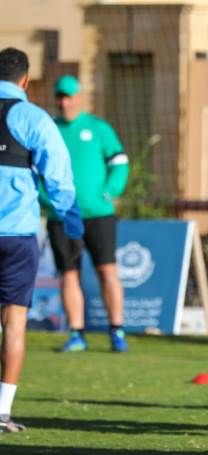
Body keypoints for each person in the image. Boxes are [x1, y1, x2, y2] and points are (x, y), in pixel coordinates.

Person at [0, 48, 83, 432]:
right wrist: (73, 226)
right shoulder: (33, 117)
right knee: (14, 322)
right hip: (17, 235)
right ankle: (2, 412)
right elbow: (59, 178)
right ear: (25, 80)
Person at [40, 74, 129, 353]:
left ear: (79, 98)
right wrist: (48, 200)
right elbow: (35, 171)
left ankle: (116, 331)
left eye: (69, 97)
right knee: (68, 274)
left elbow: (120, 162)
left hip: (98, 214)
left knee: (107, 270)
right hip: (62, 217)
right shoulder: (48, 130)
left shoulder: (98, 128)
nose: (64, 103)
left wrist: (110, 191)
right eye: (60, 97)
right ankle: (76, 333)